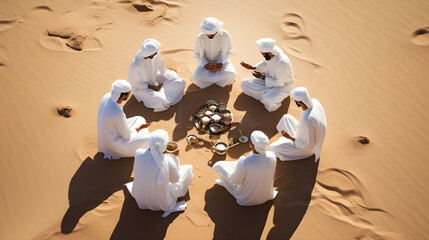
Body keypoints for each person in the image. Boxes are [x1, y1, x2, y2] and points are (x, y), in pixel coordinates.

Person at [127, 129, 193, 217]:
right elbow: (175, 181)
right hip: (162, 204)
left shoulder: (138, 153)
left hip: (141, 200)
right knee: (187, 169)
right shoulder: (168, 161)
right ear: (164, 146)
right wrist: (174, 159)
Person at [212, 131, 277, 206]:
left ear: (252, 144)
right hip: (267, 196)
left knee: (219, 165)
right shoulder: (272, 155)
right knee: (239, 163)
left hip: (247, 200)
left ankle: (225, 182)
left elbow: (236, 181)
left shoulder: (245, 162)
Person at [97, 79, 151, 159]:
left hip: (107, 137)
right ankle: (141, 134)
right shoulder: (117, 113)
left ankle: (140, 134)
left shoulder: (107, 96)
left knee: (139, 119)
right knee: (150, 139)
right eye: (129, 92)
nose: (130, 94)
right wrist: (139, 128)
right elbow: (126, 136)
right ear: (123, 96)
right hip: (113, 145)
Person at [270, 87, 327, 162]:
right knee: (286, 117)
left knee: (273, 147)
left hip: (307, 148)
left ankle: (286, 142)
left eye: (294, 99)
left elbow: (308, 145)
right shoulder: (315, 102)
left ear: (299, 102)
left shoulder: (307, 122)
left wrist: (289, 137)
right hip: (304, 132)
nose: (293, 100)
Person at [128, 39, 186, 112]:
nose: (156, 53)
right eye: (155, 52)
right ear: (147, 53)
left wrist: (167, 80)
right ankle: (161, 93)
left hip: (155, 79)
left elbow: (163, 70)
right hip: (142, 88)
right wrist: (151, 86)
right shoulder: (135, 65)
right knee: (161, 101)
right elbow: (134, 85)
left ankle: (161, 90)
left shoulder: (156, 54)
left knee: (181, 82)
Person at [240, 38, 295, 112]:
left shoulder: (282, 63)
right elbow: (265, 63)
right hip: (268, 80)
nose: (261, 54)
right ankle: (267, 94)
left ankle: (270, 97)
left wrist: (262, 77)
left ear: (268, 52)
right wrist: (252, 67)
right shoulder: (272, 55)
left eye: (262, 52)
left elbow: (280, 83)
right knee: (244, 83)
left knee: (268, 100)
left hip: (283, 86)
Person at [191, 17, 236, 89]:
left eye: (211, 34)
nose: (209, 35)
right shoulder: (200, 37)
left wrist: (221, 63)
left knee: (231, 74)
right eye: (207, 34)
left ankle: (214, 81)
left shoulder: (225, 35)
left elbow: (229, 51)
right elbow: (197, 54)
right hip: (206, 63)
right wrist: (205, 64)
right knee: (196, 77)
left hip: (222, 61)